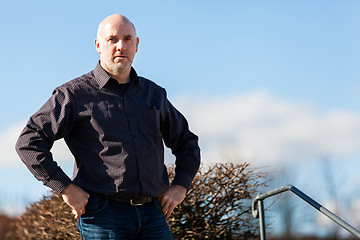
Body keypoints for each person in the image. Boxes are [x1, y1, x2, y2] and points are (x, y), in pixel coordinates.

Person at [15, 14, 200, 240]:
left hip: (154, 215)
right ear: (98, 45)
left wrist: (180, 186)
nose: (121, 46)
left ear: (137, 45)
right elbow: (29, 141)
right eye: (112, 39)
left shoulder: (154, 94)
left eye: (127, 39)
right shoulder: (73, 95)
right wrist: (65, 187)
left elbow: (187, 143)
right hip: (102, 217)